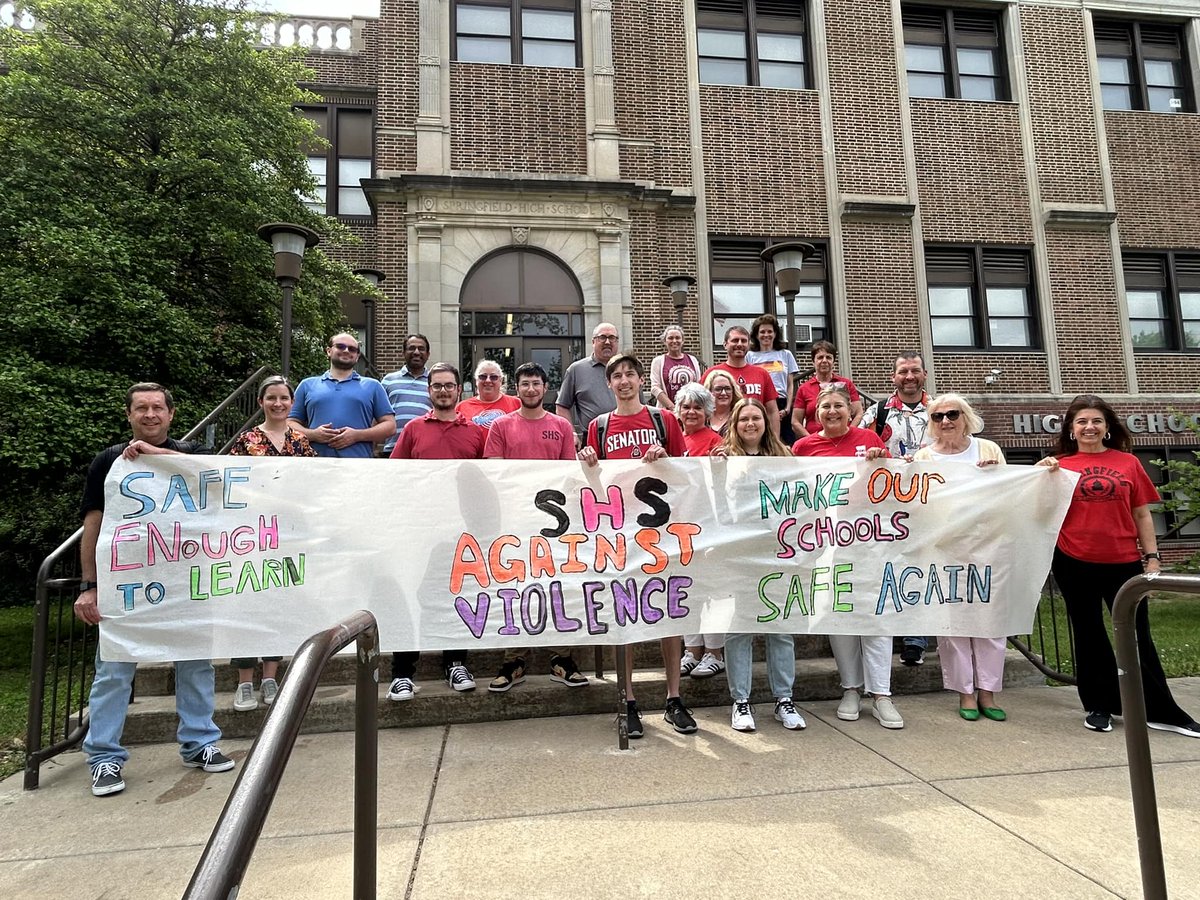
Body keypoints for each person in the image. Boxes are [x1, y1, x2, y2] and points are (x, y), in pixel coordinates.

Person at [74, 384, 234, 797]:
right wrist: (90, 586)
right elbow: (94, 525)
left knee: (196, 665)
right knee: (114, 670)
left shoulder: (192, 454)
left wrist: (157, 455)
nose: (150, 414)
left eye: (157, 407)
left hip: (187, 584)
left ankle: (200, 743)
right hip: (125, 586)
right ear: (129, 415)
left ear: (171, 414)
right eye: (141, 408)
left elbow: (224, 480)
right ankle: (104, 757)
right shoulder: (109, 462)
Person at [1037, 395, 1200, 737]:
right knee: (1088, 634)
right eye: (1081, 421)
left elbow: (1142, 512)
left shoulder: (1127, 463)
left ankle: (1160, 711)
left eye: (1096, 421)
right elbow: (1035, 509)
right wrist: (1037, 477)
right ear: (1071, 429)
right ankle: (1100, 706)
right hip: (1073, 560)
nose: (1089, 427)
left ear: (1107, 428)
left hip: (1123, 561)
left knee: (1138, 635)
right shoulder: (1058, 466)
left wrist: (1152, 557)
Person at [578, 353, 698, 738]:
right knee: (625, 617)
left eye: (631, 373)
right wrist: (588, 465)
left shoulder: (663, 420)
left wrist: (666, 459)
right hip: (620, 535)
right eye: (617, 375)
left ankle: (673, 698)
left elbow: (686, 472)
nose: (625, 380)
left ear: (640, 380)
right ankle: (627, 700)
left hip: (663, 531)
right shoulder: (598, 427)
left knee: (670, 613)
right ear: (609, 384)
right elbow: (591, 487)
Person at [793, 384, 903, 729]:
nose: (831, 412)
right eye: (824, 407)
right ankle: (852, 688)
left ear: (849, 409)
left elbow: (894, 484)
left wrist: (884, 462)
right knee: (839, 618)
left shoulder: (870, 440)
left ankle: (881, 693)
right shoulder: (803, 447)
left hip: (871, 543)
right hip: (827, 545)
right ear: (815, 413)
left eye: (838, 405)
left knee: (876, 617)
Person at [484, 362, 589, 692]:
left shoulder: (560, 425)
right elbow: (496, 474)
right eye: (524, 384)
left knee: (558, 588)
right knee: (515, 591)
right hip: (514, 523)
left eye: (536, 384)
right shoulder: (500, 426)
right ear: (516, 389)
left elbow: (567, 475)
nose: (530, 389)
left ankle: (561, 658)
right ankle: (514, 660)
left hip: (554, 525)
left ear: (546, 389)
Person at [386, 363, 485, 700]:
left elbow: (485, 483)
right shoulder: (413, 429)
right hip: (418, 527)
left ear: (460, 391)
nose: (443, 391)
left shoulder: (475, 432)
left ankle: (455, 662)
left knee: (456, 596)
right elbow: (396, 477)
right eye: (437, 386)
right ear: (429, 391)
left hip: (459, 531)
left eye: (449, 386)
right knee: (411, 595)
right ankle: (402, 672)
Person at [713, 398, 806, 733]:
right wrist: (715, 471)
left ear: (766, 422)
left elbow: (803, 499)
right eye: (743, 419)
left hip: (777, 552)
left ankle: (784, 699)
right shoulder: (724, 458)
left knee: (780, 629)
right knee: (739, 629)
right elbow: (714, 504)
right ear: (734, 425)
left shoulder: (784, 458)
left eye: (756, 418)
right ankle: (741, 701)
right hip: (740, 553)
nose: (750, 424)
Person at [913, 394, 1007, 722]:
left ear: (965, 416)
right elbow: (915, 501)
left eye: (952, 414)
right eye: (938, 417)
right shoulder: (923, 456)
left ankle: (988, 692)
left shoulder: (988, 450)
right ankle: (965, 692)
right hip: (944, 550)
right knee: (952, 624)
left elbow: (1011, 494)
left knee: (990, 622)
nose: (946, 421)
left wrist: (996, 474)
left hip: (986, 546)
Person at [227, 375, 318, 711]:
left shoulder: (302, 442)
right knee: (249, 603)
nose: (278, 404)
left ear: (292, 404)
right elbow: (234, 489)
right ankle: (244, 681)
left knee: (281, 603)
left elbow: (313, 486)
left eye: (284, 399)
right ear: (261, 402)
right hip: (253, 536)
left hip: (291, 536)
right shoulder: (246, 440)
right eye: (271, 398)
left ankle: (270, 675)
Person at [860, 350, 933, 666]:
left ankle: (915, 639)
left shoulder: (942, 411)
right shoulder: (876, 412)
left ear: (924, 375)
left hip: (928, 500)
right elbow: (856, 446)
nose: (909, 376)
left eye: (915, 370)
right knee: (886, 566)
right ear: (894, 377)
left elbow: (962, 445)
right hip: (886, 501)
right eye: (903, 371)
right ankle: (887, 626)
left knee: (919, 566)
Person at [673, 381, 726, 676]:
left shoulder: (715, 441)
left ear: (707, 412)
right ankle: (691, 649)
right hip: (678, 527)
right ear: (678, 410)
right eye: (686, 406)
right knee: (685, 590)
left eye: (697, 407)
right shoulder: (672, 440)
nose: (691, 412)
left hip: (708, 525)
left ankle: (714, 651)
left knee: (711, 589)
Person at [288, 333, 396, 458]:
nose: (346, 351)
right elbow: (289, 423)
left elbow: (390, 426)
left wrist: (357, 435)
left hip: (358, 465)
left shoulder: (373, 386)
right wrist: (312, 435)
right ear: (329, 351)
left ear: (357, 357)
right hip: (315, 464)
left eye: (352, 349)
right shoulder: (307, 385)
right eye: (340, 346)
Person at [702, 326, 780, 434]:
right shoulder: (712, 374)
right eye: (735, 340)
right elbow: (700, 407)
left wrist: (775, 441)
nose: (739, 344)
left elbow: (772, 411)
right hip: (720, 434)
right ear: (725, 344)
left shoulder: (762, 374)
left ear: (748, 345)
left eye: (743, 341)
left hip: (754, 434)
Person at [556, 321, 620, 443]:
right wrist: (571, 433)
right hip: (592, 439)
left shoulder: (628, 369)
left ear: (617, 342)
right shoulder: (576, 370)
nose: (607, 342)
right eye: (602, 337)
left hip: (626, 437)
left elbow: (641, 405)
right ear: (593, 342)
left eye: (612, 338)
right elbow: (562, 406)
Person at [747, 313, 800, 443]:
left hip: (781, 402)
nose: (766, 335)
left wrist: (787, 408)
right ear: (756, 335)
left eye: (770, 331)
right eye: (762, 332)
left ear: (775, 334)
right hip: (759, 402)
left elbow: (790, 384)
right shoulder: (750, 356)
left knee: (786, 443)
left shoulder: (785, 354)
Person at [792, 340, 862, 436]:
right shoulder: (804, 388)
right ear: (813, 361)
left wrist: (849, 434)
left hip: (842, 439)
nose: (824, 361)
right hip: (815, 442)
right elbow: (795, 421)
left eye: (828, 357)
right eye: (820, 357)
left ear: (833, 361)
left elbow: (858, 413)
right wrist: (811, 440)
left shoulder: (846, 384)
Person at [380, 334, 432, 455]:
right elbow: (377, 416)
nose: (416, 352)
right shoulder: (389, 380)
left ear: (428, 354)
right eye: (411, 348)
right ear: (403, 353)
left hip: (424, 449)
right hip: (392, 449)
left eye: (421, 348)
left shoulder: (435, 382)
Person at [649, 324, 703, 411]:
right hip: (667, 411)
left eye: (677, 338)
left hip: (690, 410)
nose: (674, 341)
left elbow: (698, 385)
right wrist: (673, 408)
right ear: (665, 341)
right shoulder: (658, 361)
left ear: (682, 341)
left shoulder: (692, 359)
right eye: (670, 338)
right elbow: (655, 388)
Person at [456, 359, 519, 429]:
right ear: (476, 380)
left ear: (500, 381)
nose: (488, 380)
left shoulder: (516, 404)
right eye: (483, 377)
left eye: (493, 377)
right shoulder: (462, 407)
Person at [702, 368, 743, 437]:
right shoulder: (702, 418)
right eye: (718, 389)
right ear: (709, 391)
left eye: (727, 389)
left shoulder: (739, 416)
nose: (723, 393)